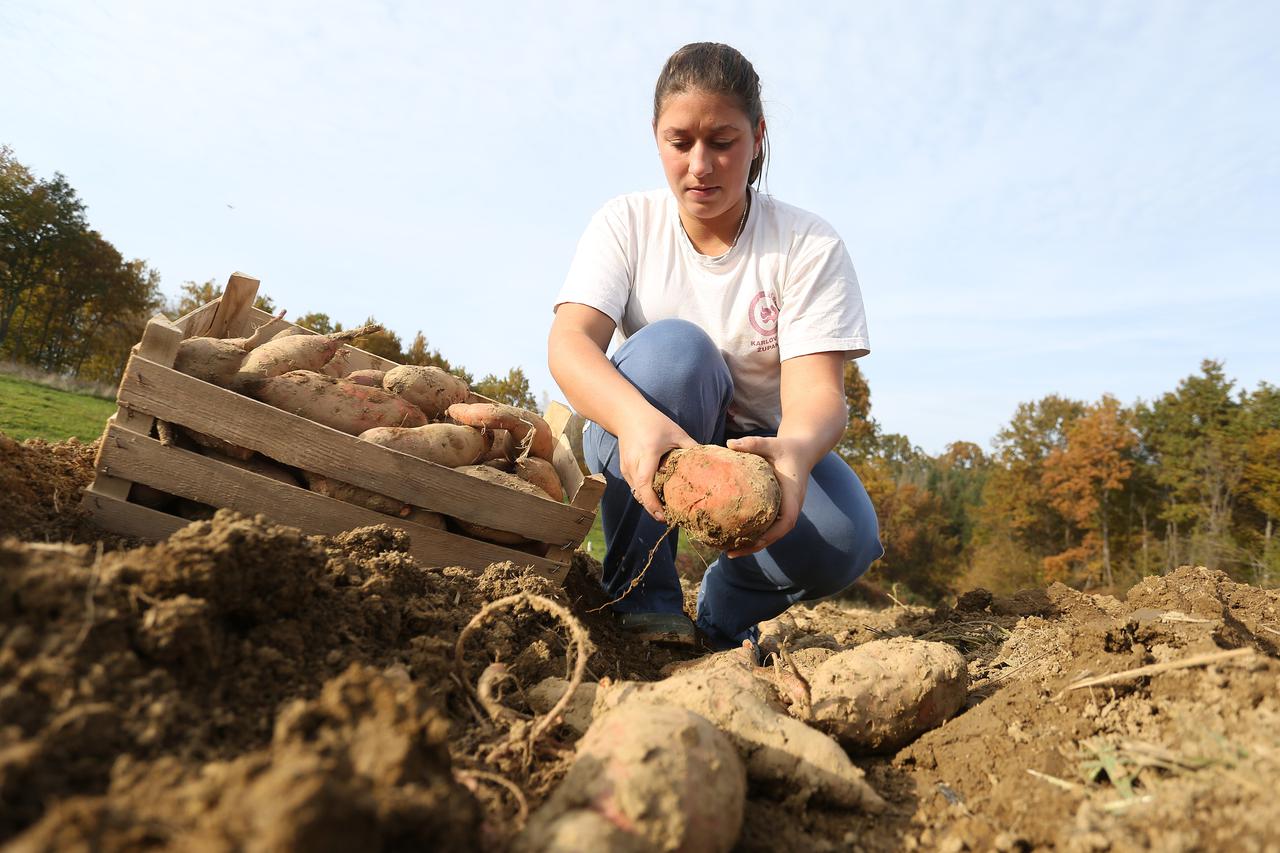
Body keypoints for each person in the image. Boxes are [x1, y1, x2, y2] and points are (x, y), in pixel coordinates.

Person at [548, 42, 883, 651]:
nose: (700, 165)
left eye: (722, 142)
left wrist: (796, 450)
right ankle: (640, 600)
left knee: (844, 537)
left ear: (757, 137)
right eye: (680, 143)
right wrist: (635, 421)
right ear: (656, 138)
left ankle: (723, 613)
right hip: (639, 430)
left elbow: (817, 394)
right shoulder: (626, 224)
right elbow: (570, 344)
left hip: (753, 449)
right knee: (679, 353)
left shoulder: (807, 244)